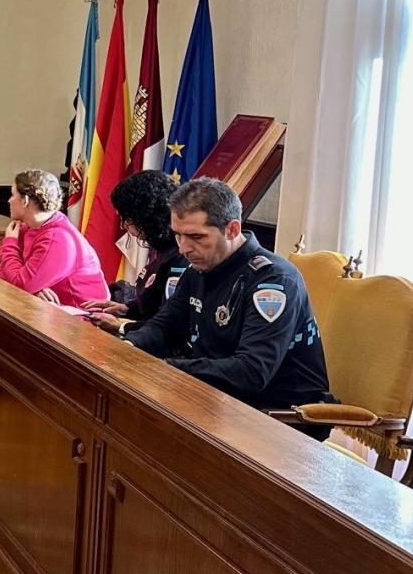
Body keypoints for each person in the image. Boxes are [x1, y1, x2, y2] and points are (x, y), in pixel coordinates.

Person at [121, 178, 337, 436]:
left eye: (196, 236)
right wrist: (129, 347)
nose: (184, 248)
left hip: (278, 418)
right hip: (219, 401)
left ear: (233, 229)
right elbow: (165, 325)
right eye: (178, 234)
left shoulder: (273, 282)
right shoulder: (200, 267)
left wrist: (165, 369)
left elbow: (251, 372)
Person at [83, 170, 190, 336]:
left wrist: (121, 327)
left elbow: (169, 324)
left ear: (146, 216)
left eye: (127, 219)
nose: (122, 226)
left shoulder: (181, 254)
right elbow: (152, 298)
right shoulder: (160, 247)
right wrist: (126, 308)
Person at [0, 168, 108, 306]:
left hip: (80, 316)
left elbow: (20, 285)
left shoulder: (58, 238)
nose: (9, 200)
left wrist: (10, 243)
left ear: (24, 201)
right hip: (49, 309)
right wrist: (33, 289)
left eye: (12, 195)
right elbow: (2, 273)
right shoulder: (30, 226)